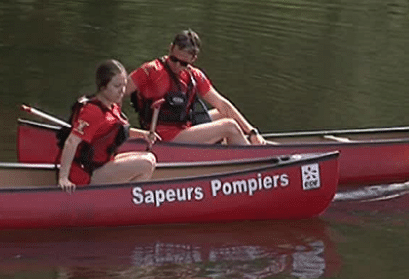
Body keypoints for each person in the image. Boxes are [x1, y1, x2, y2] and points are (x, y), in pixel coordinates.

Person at [125, 29, 266, 145]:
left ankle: (249, 146)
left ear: (193, 60)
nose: (177, 66)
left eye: (184, 63)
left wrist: (251, 131)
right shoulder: (150, 70)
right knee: (230, 126)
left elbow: (222, 104)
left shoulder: (194, 76)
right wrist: (125, 129)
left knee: (225, 115)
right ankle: (251, 161)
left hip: (184, 127)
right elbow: (118, 92)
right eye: (174, 59)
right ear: (170, 48)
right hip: (164, 136)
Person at [58, 59, 158, 193]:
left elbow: (117, 130)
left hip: (101, 165)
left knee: (150, 157)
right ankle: (131, 200)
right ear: (103, 87)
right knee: (146, 164)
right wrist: (63, 178)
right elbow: (71, 142)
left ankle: (125, 198)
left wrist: (143, 134)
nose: (122, 91)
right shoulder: (93, 112)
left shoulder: (112, 106)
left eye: (124, 85)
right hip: (87, 173)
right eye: (117, 86)